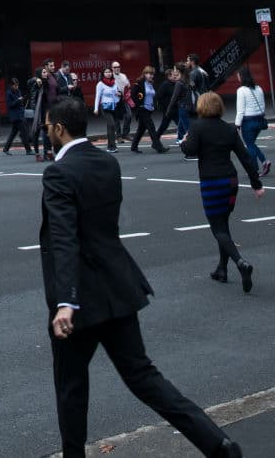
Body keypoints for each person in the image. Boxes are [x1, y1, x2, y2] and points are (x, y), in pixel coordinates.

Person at [40, 96, 243, 458]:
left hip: (81, 298)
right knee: (144, 377)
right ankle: (217, 443)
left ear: (58, 128)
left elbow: (64, 237)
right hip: (119, 287)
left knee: (71, 387)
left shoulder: (58, 173)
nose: (45, 132)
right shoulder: (107, 162)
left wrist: (66, 300)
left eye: (47, 126)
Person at [181, 90, 263, 290]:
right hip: (231, 181)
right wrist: (256, 184)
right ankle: (222, 269)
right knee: (223, 224)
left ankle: (240, 263)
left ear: (201, 107)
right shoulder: (228, 129)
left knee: (217, 228)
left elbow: (190, 150)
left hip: (211, 182)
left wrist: (184, 141)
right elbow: (245, 157)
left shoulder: (197, 126)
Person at [234, 67, 269, 177]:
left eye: (238, 75)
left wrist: (237, 124)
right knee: (251, 144)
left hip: (248, 122)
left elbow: (240, 110)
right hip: (259, 120)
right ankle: (264, 161)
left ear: (242, 77)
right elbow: (263, 105)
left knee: (249, 145)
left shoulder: (241, 90)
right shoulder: (259, 88)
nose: (237, 77)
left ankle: (254, 170)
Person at [129, 67, 168, 154]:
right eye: (149, 74)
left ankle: (134, 146)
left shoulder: (150, 83)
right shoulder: (139, 83)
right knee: (151, 127)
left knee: (141, 129)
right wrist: (139, 105)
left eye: (152, 74)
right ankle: (158, 147)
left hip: (149, 109)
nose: (151, 76)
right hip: (142, 109)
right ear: (144, 74)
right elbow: (133, 95)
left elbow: (152, 95)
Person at [93, 67, 122, 152]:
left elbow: (117, 94)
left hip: (114, 106)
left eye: (109, 72)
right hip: (105, 107)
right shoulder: (100, 84)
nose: (108, 74)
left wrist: (119, 95)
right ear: (103, 74)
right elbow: (97, 96)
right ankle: (112, 147)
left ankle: (110, 146)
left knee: (111, 126)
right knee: (111, 124)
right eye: (106, 72)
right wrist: (96, 108)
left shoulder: (114, 83)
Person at [2, 77, 33, 156]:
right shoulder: (9, 93)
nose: (16, 87)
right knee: (24, 133)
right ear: (11, 85)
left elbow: (20, 102)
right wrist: (18, 100)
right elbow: (9, 105)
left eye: (17, 85)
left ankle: (6, 148)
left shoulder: (18, 91)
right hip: (16, 116)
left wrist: (21, 100)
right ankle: (28, 150)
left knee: (13, 133)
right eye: (15, 85)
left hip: (20, 114)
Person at [27, 65, 52, 161]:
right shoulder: (36, 82)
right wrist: (35, 79)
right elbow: (28, 82)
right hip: (37, 111)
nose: (46, 74)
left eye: (46, 72)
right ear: (39, 74)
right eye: (44, 72)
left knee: (47, 131)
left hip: (44, 110)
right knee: (36, 133)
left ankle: (47, 152)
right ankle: (37, 154)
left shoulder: (46, 82)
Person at [110, 60, 132, 140]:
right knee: (117, 119)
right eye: (115, 67)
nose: (117, 68)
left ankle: (125, 134)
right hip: (114, 100)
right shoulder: (110, 77)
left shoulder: (123, 75)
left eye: (118, 67)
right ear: (112, 68)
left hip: (124, 99)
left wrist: (128, 92)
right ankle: (118, 136)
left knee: (129, 116)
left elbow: (128, 86)